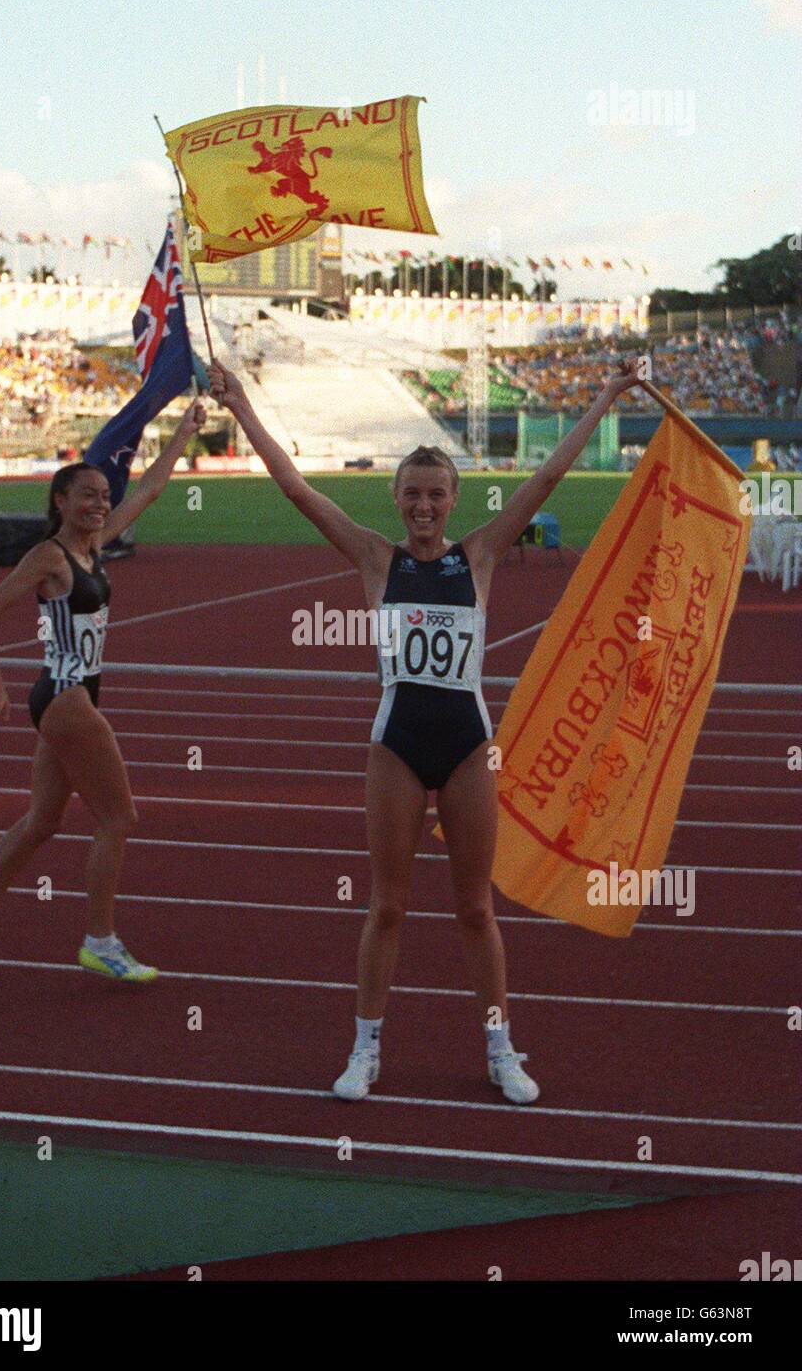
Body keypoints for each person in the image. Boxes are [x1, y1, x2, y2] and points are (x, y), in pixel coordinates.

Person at [207, 356, 641, 1103]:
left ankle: (501, 1048)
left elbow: (543, 483)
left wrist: (607, 396)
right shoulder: (376, 559)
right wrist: (241, 404)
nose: (424, 505)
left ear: (455, 498)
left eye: (437, 494)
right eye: (412, 493)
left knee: (476, 909)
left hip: (470, 744)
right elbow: (296, 489)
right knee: (388, 905)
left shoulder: (480, 555)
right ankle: (366, 1047)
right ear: (395, 497)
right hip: (396, 747)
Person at [0, 397, 206, 985]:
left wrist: (184, 433)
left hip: (70, 694)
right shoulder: (50, 555)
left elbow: (150, 491)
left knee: (42, 821)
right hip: (66, 697)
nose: (101, 504)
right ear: (60, 502)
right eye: (87, 495)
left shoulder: (93, 546)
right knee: (118, 816)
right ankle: (100, 941)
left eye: (103, 496)